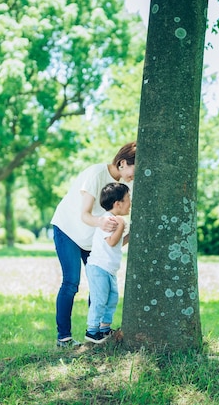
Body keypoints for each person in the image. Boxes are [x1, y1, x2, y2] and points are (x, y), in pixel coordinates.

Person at [51, 141, 136, 347]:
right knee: (71, 282)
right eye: (135, 169)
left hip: (95, 239)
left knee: (100, 287)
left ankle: (96, 334)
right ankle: (64, 338)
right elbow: (85, 214)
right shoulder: (96, 173)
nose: (135, 176)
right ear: (122, 162)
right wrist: (100, 222)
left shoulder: (128, 183)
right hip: (69, 230)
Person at [84, 182, 131, 343]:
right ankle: (91, 331)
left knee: (112, 299)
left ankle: (104, 328)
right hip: (98, 267)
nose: (130, 202)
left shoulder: (115, 221)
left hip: (109, 269)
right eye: (128, 199)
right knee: (99, 299)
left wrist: (129, 235)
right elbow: (111, 241)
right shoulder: (108, 220)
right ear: (118, 204)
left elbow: (117, 243)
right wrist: (121, 226)